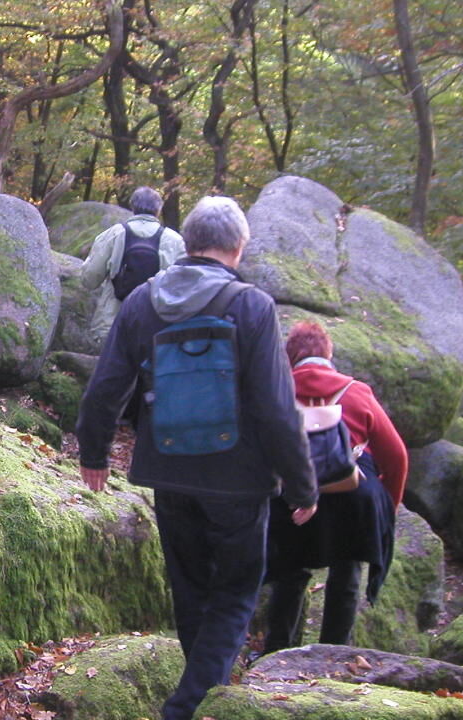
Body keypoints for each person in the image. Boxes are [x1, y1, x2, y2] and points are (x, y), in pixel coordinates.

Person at [75, 195, 318, 720]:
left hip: (170, 470)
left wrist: (94, 452)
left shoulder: (142, 300)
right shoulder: (251, 306)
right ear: (238, 246)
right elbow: (278, 411)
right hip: (239, 478)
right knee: (234, 593)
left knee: (189, 587)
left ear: (187, 242)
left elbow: (106, 386)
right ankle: (189, 705)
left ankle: (204, 691)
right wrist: (302, 486)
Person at [262, 320, 408, 654]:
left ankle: (276, 653)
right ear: (329, 353)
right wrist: (389, 506)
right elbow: (396, 456)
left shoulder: (277, 390)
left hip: (295, 497)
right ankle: (333, 657)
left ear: (290, 357)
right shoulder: (357, 391)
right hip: (350, 493)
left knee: (289, 572)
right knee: (346, 574)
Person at [80, 186, 186, 347]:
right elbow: (183, 288)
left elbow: (89, 279)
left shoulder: (113, 234)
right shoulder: (175, 241)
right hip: (158, 329)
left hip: (112, 326)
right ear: (158, 210)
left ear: (133, 207)